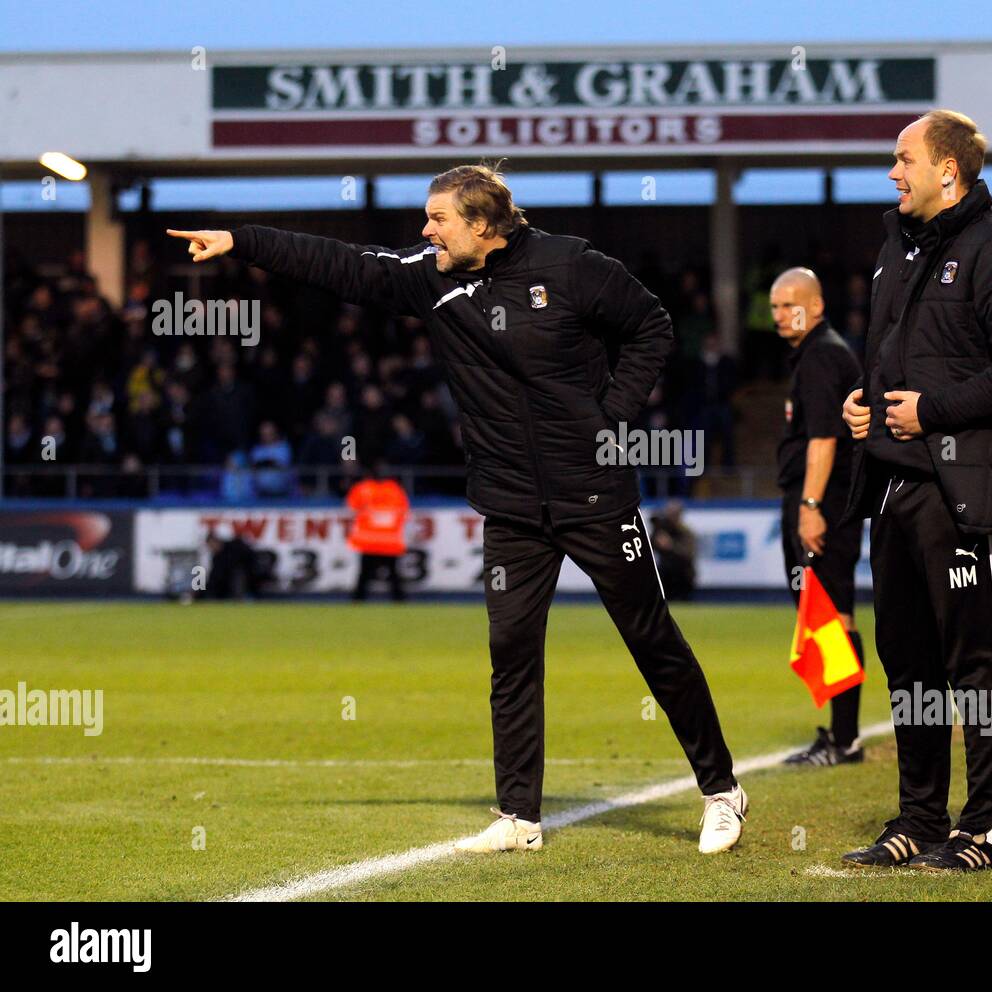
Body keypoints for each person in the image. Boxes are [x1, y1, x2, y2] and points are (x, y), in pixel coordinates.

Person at [166, 162, 746, 855]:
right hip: (508, 503)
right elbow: (343, 263)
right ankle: (518, 817)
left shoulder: (572, 265)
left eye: (438, 218)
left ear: (483, 224)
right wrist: (243, 240)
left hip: (595, 495)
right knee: (511, 651)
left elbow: (652, 326)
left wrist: (609, 418)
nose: (425, 230)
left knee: (651, 639)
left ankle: (721, 792)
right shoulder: (431, 275)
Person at [839, 110, 992, 872]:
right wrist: (864, 403)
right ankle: (920, 819)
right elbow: (896, 360)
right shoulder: (895, 249)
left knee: (977, 663)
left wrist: (933, 411)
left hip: (965, 492)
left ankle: (986, 829)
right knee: (908, 664)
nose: (893, 173)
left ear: (948, 170)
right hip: (894, 489)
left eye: (904, 159)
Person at [771, 267, 866, 766]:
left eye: (791, 304)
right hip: (823, 502)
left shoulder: (823, 356)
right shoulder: (816, 354)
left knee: (833, 617)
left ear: (817, 304)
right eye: (775, 307)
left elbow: (825, 439)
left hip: (824, 504)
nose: (782, 314)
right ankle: (842, 736)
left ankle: (844, 739)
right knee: (826, 617)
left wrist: (810, 507)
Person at [347, 463, 410, 602]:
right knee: (393, 574)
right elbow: (404, 512)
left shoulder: (362, 489)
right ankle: (400, 601)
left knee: (364, 574)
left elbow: (351, 508)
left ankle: (358, 601)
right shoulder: (395, 490)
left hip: (369, 540)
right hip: (389, 540)